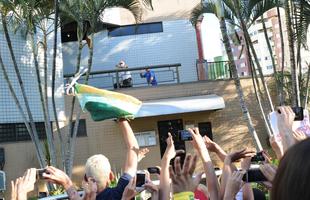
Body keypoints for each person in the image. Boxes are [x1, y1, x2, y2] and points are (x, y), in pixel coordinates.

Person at [43, 119, 139, 200]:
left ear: (86, 178)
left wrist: (66, 183)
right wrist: (122, 119)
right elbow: (133, 149)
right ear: (111, 176)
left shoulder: (86, 198)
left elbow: (73, 195)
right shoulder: (124, 191)